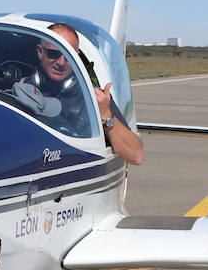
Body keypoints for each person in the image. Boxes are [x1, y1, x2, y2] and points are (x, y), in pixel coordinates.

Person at [28, 23, 143, 165]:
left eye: (69, 57)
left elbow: (136, 155)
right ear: (40, 52)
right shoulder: (23, 89)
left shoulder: (94, 98)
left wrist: (106, 115)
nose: (61, 63)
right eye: (54, 54)